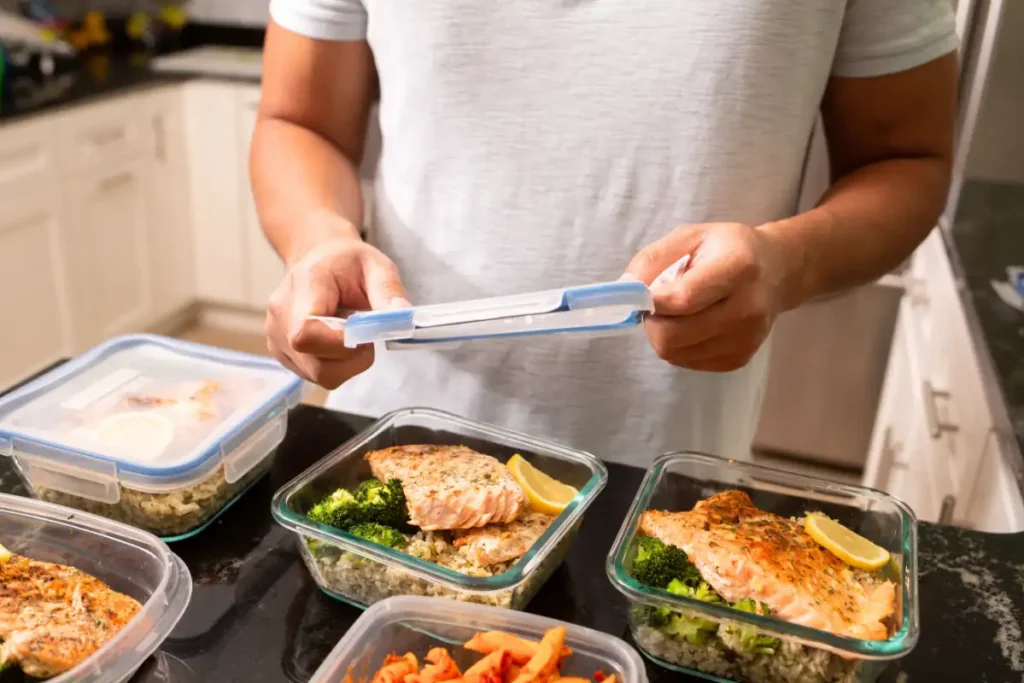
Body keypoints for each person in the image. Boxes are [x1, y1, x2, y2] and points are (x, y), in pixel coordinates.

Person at [251, 1, 958, 466]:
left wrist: (786, 264)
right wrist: (318, 238)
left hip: (663, 475)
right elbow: (298, 120)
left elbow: (907, 160)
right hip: (389, 439)